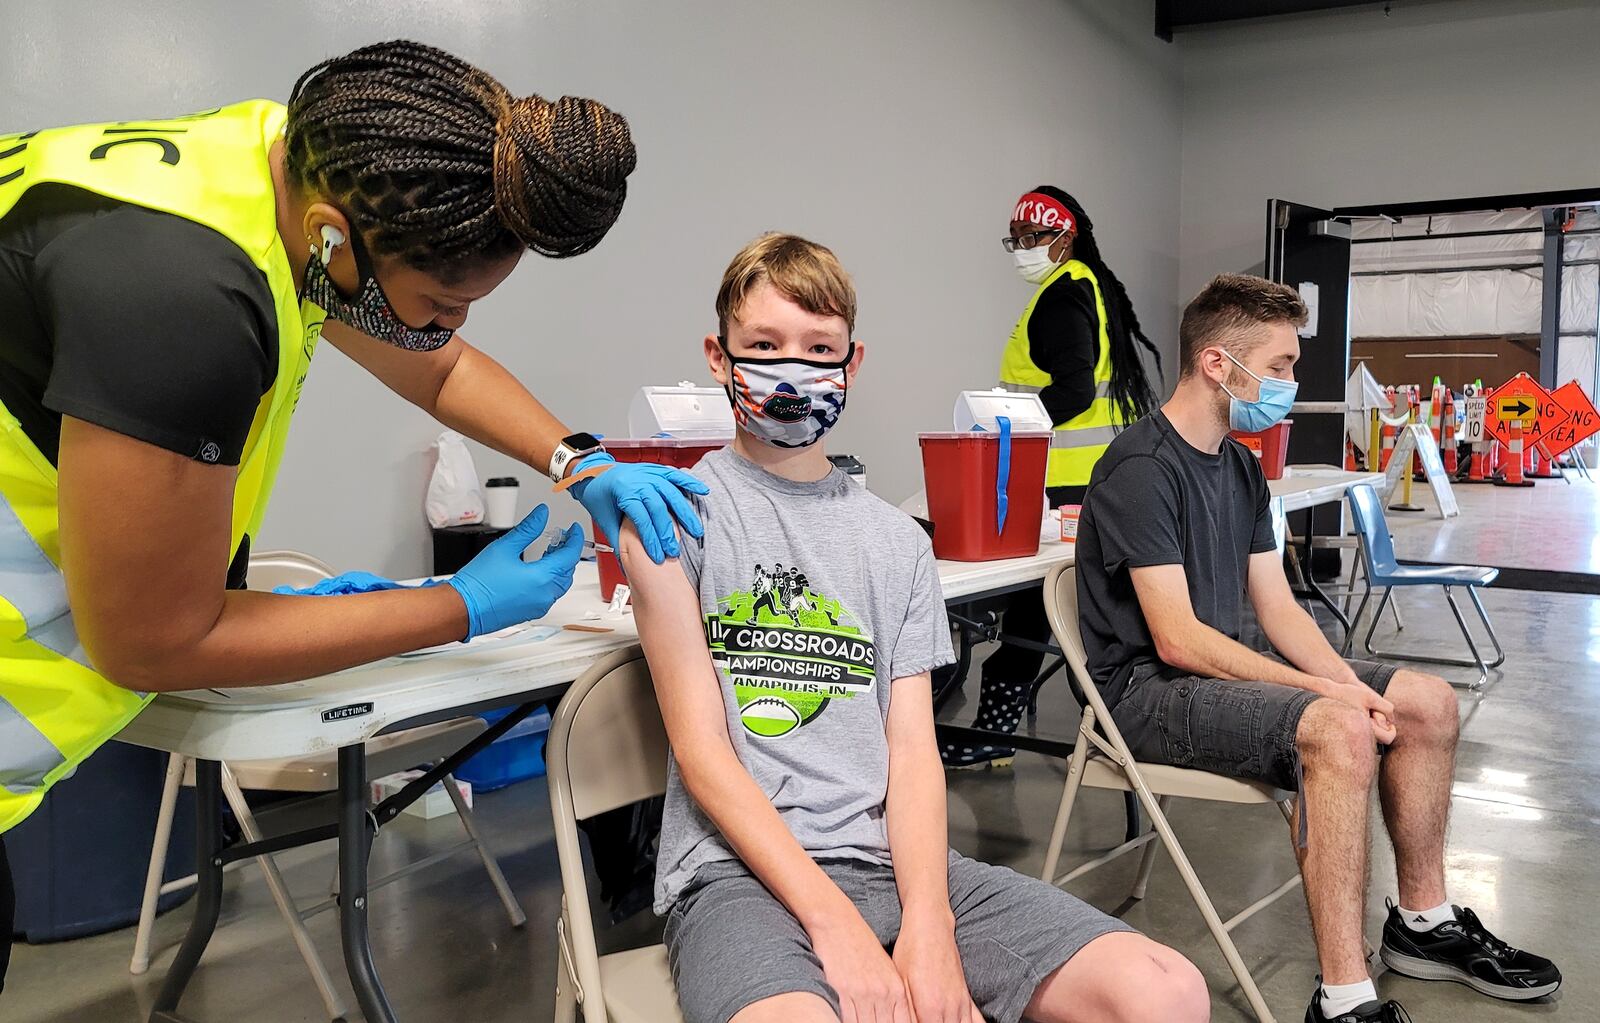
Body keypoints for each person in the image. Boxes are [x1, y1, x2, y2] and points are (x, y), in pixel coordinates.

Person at [0, 39, 708, 987]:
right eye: (440, 301)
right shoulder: (180, 301)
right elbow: (151, 642)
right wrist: (459, 607)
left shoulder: (268, 167)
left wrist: (578, 460)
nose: (449, 330)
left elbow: (440, 367)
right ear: (336, 238)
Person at [621, 233, 1209, 1023]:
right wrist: (838, 929)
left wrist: (929, 925)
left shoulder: (896, 542)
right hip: (737, 877)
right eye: (764, 345)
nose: (792, 367)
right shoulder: (671, 521)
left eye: (817, 348)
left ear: (850, 363)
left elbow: (911, 750)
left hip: (893, 864)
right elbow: (702, 753)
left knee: (1166, 991)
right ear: (719, 357)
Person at [1075, 273, 1561, 1023]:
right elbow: (1177, 639)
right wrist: (1334, 700)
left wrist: (1345, 679)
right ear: (1216, 364)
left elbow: (1276, 609)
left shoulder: (1238, 464)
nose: (1291, 384)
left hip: (1214, 670)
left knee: (1424, 702)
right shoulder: (1141, 468)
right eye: (1279, 367)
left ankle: (1422, 926)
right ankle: (1343, 997)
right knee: (1337, 730)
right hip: (1145, 694)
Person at [944, 186, 1162, 769]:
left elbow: (1070, 391)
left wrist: (1003, 425)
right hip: (1089, 480)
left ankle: (1023, 735)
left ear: (1064, 238)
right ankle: (1098, 737)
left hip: (1068, 484)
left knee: (1046, 611)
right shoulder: (1078, 286)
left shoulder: (1064, 298)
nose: (1022, 249)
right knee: (1052, 611)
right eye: (1015, 240)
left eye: (1033, 239)